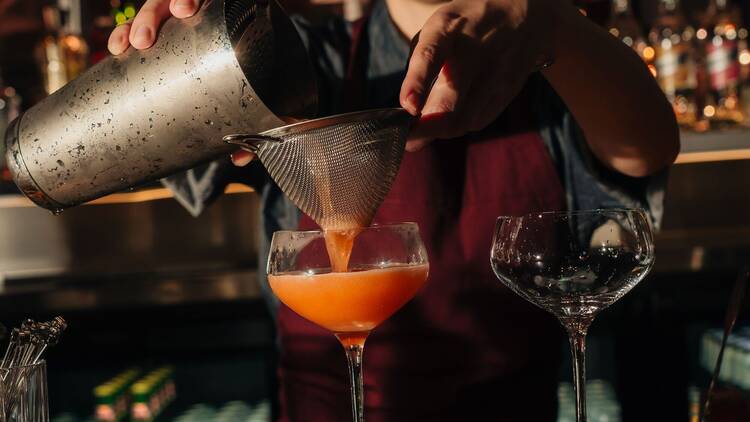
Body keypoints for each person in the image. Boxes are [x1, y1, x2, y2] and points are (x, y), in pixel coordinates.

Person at [109, 0, 680, 420]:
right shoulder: (296, 62)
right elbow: (126, 146)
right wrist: (172, 54)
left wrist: (551, 28)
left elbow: (647, 149)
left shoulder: (549, 63)